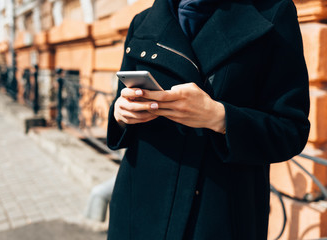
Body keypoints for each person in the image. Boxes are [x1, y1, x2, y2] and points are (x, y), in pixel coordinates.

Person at [106, 0, 310, 239]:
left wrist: (219, 117)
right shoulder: (143, 20)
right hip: (138, 210)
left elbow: (290, 130)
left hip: (220, 217)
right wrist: (120, 114)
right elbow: (123, 102)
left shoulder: (272, 13)